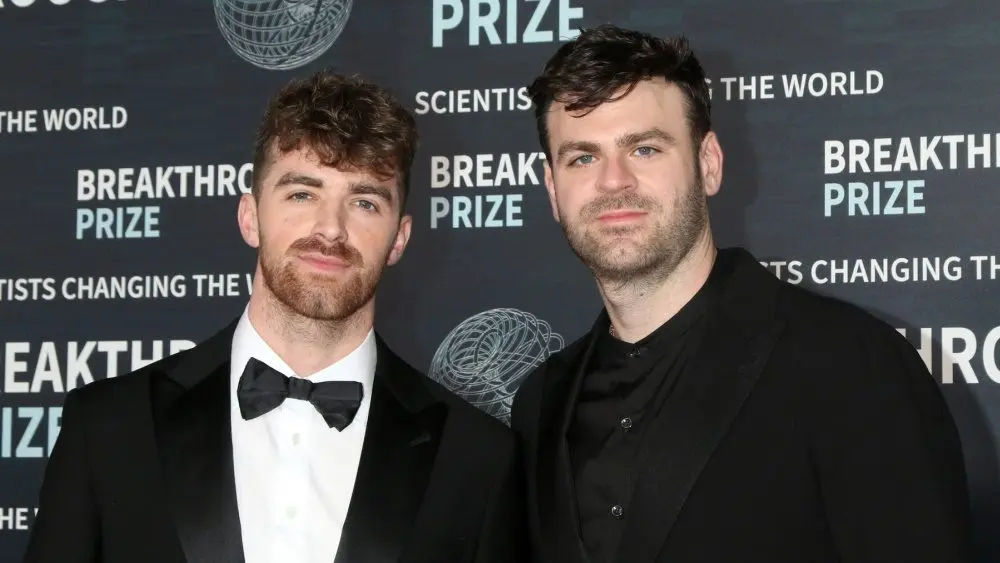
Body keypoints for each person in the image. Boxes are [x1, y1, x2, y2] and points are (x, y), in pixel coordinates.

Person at [510, 24, 972, 563]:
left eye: (645, 148)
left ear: (709, 163)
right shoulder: (540, 402)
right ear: (551, 189)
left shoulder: (848, 362)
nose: (614, 181)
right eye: (583, 157)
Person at [25, 70, 526, 563]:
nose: (330, 229)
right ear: (250, 217)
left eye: (365, 202)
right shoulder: (111, 427)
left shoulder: (475, 458)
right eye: (302, 194)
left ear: (400, 237)